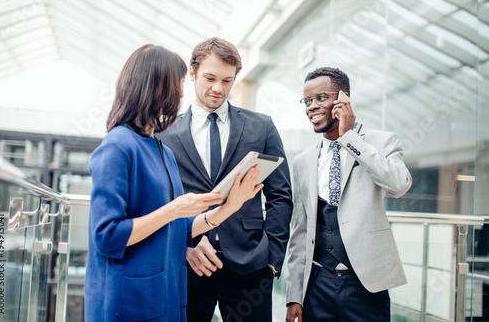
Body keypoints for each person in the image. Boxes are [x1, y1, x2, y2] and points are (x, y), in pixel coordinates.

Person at [84, 44, 263, 322]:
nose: (182, 93)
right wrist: (175, 209)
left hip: (165, 294)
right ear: (157, 87)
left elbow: (178, 229)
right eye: (179, 83)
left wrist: (230, 206)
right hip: (129, 300)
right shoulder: (117, 146)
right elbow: (107, 237)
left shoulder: (161, 149)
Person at [158, 37, 293, 322]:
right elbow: (159, 204)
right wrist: (181, 249)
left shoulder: (262, 127)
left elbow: (280, 196)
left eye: (227, 81)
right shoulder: (164, 133)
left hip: (251, 264)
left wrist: (272, 260)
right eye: (210, 78)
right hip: (188, 263)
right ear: (192, 74)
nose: (218, 88)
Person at [285, 67, 412, 321]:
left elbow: (399, 185)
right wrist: (294, 295)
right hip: (317, 286)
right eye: (307, 101)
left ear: (343, 99)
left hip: (365, 285)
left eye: (321, 97)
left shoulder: (380, 142)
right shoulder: (302, 161)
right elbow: (300, 230)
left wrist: (350, 137)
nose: (312, 106)